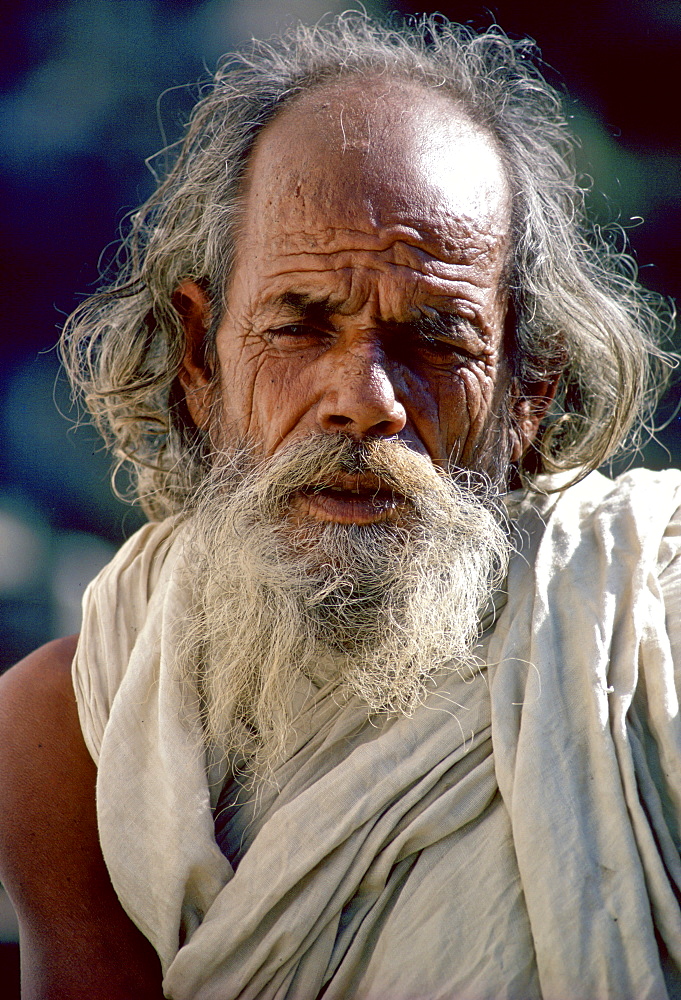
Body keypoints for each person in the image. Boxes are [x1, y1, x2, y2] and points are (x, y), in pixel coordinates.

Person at [1, 13, 679, 1000]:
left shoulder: (643, 631)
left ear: (531, 384)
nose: (364, 397)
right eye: (299, 325)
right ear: (200, 360)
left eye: (436, 338)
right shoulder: (73, 731)